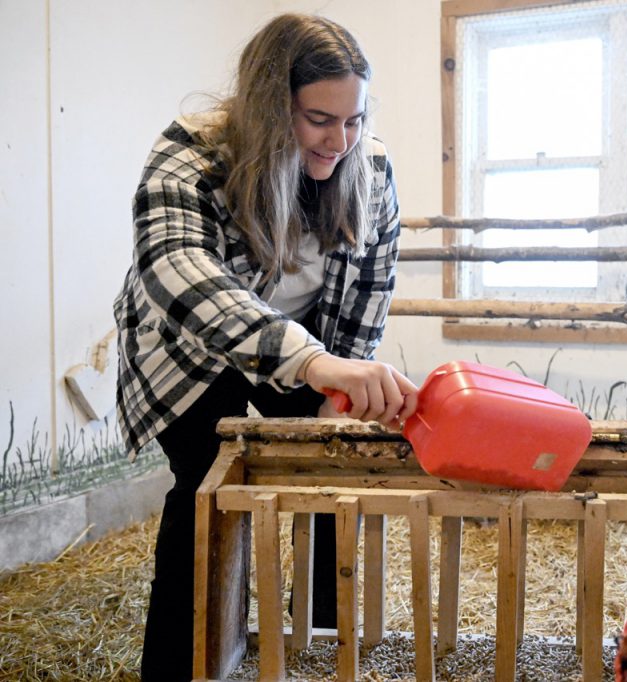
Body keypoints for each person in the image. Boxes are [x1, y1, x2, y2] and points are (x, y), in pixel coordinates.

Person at [112, 13, 417, 681]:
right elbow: (178, 270)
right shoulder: (188, 156)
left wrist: (341, 388)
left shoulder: (368, 167)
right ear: (270, 105)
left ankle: (323, 652)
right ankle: (183, 665)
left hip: (309, 338)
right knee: (207, 486)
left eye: (355, 119)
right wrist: (312, 362)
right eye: (319, 119)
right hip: (191, 348)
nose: (341, 140)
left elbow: (370, 284)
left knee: (334, 471)